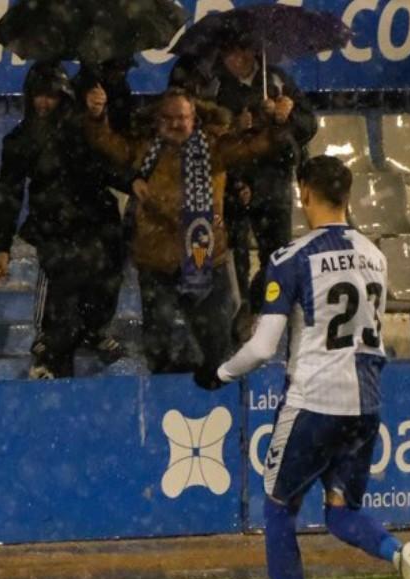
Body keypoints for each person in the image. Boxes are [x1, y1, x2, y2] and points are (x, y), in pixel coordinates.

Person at [194, 156, 410, 579]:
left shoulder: (293, 256)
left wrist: (219, 374)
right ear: (346, 195)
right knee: (341, 511)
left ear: (303, 193)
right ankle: (399, 553)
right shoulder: (374, 253)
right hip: (366, 402)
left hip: (314, 399)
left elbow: (263, 348)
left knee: (279, 509)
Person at [84, 86, 291, 375]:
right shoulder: (145, 149)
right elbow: (107, 142)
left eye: (182, 117)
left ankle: (215, 400)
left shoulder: (215, 146)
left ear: (195, 117)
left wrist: (278, 121)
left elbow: (261, 146)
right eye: (168, 118)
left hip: (207, 261)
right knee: (159, 350)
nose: (176, 124)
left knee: (217, 347)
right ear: (157, 120)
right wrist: (96, 116)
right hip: (156, 263)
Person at [0, 63, 123, 379]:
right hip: (54, 231)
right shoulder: (20, 139)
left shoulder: (85, 129)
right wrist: (1, 246)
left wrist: (100, 117)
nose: (44, 102)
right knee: (60, 307)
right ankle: (51, 347)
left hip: (97, 226)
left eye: (51, 96)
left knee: (104, 286)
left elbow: (113, 163)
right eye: (38, 95)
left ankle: (91, 331)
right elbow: (8, 193)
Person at [212, 39, 317, 328]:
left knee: (278, 255)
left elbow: (308, 128)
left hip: (274, 184)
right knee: (236, 259)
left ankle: (258, 305)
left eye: (240, 50)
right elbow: (210, 139)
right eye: (228, 52)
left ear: (252, 52)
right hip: (235, 187)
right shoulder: (215, 87)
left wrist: (288, 116)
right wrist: (235, 128)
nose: (235, 59)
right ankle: (239, 313)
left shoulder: (278, 81)